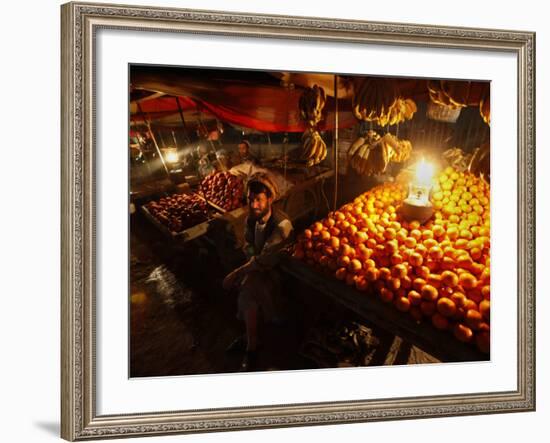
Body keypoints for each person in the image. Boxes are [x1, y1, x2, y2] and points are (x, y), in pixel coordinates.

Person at [222, 174, 293, 371]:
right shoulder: (250, 220)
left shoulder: (281, 225)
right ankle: (251, 342)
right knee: (248, 287)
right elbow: (250, 247)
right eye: (251, 199)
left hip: (280, 272)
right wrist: (252, 259)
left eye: (259, 200)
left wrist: (238, 272)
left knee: (246, 285)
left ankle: (250, 342)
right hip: (258, 269)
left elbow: (267, 259)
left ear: (270, 199)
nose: (254, 205)